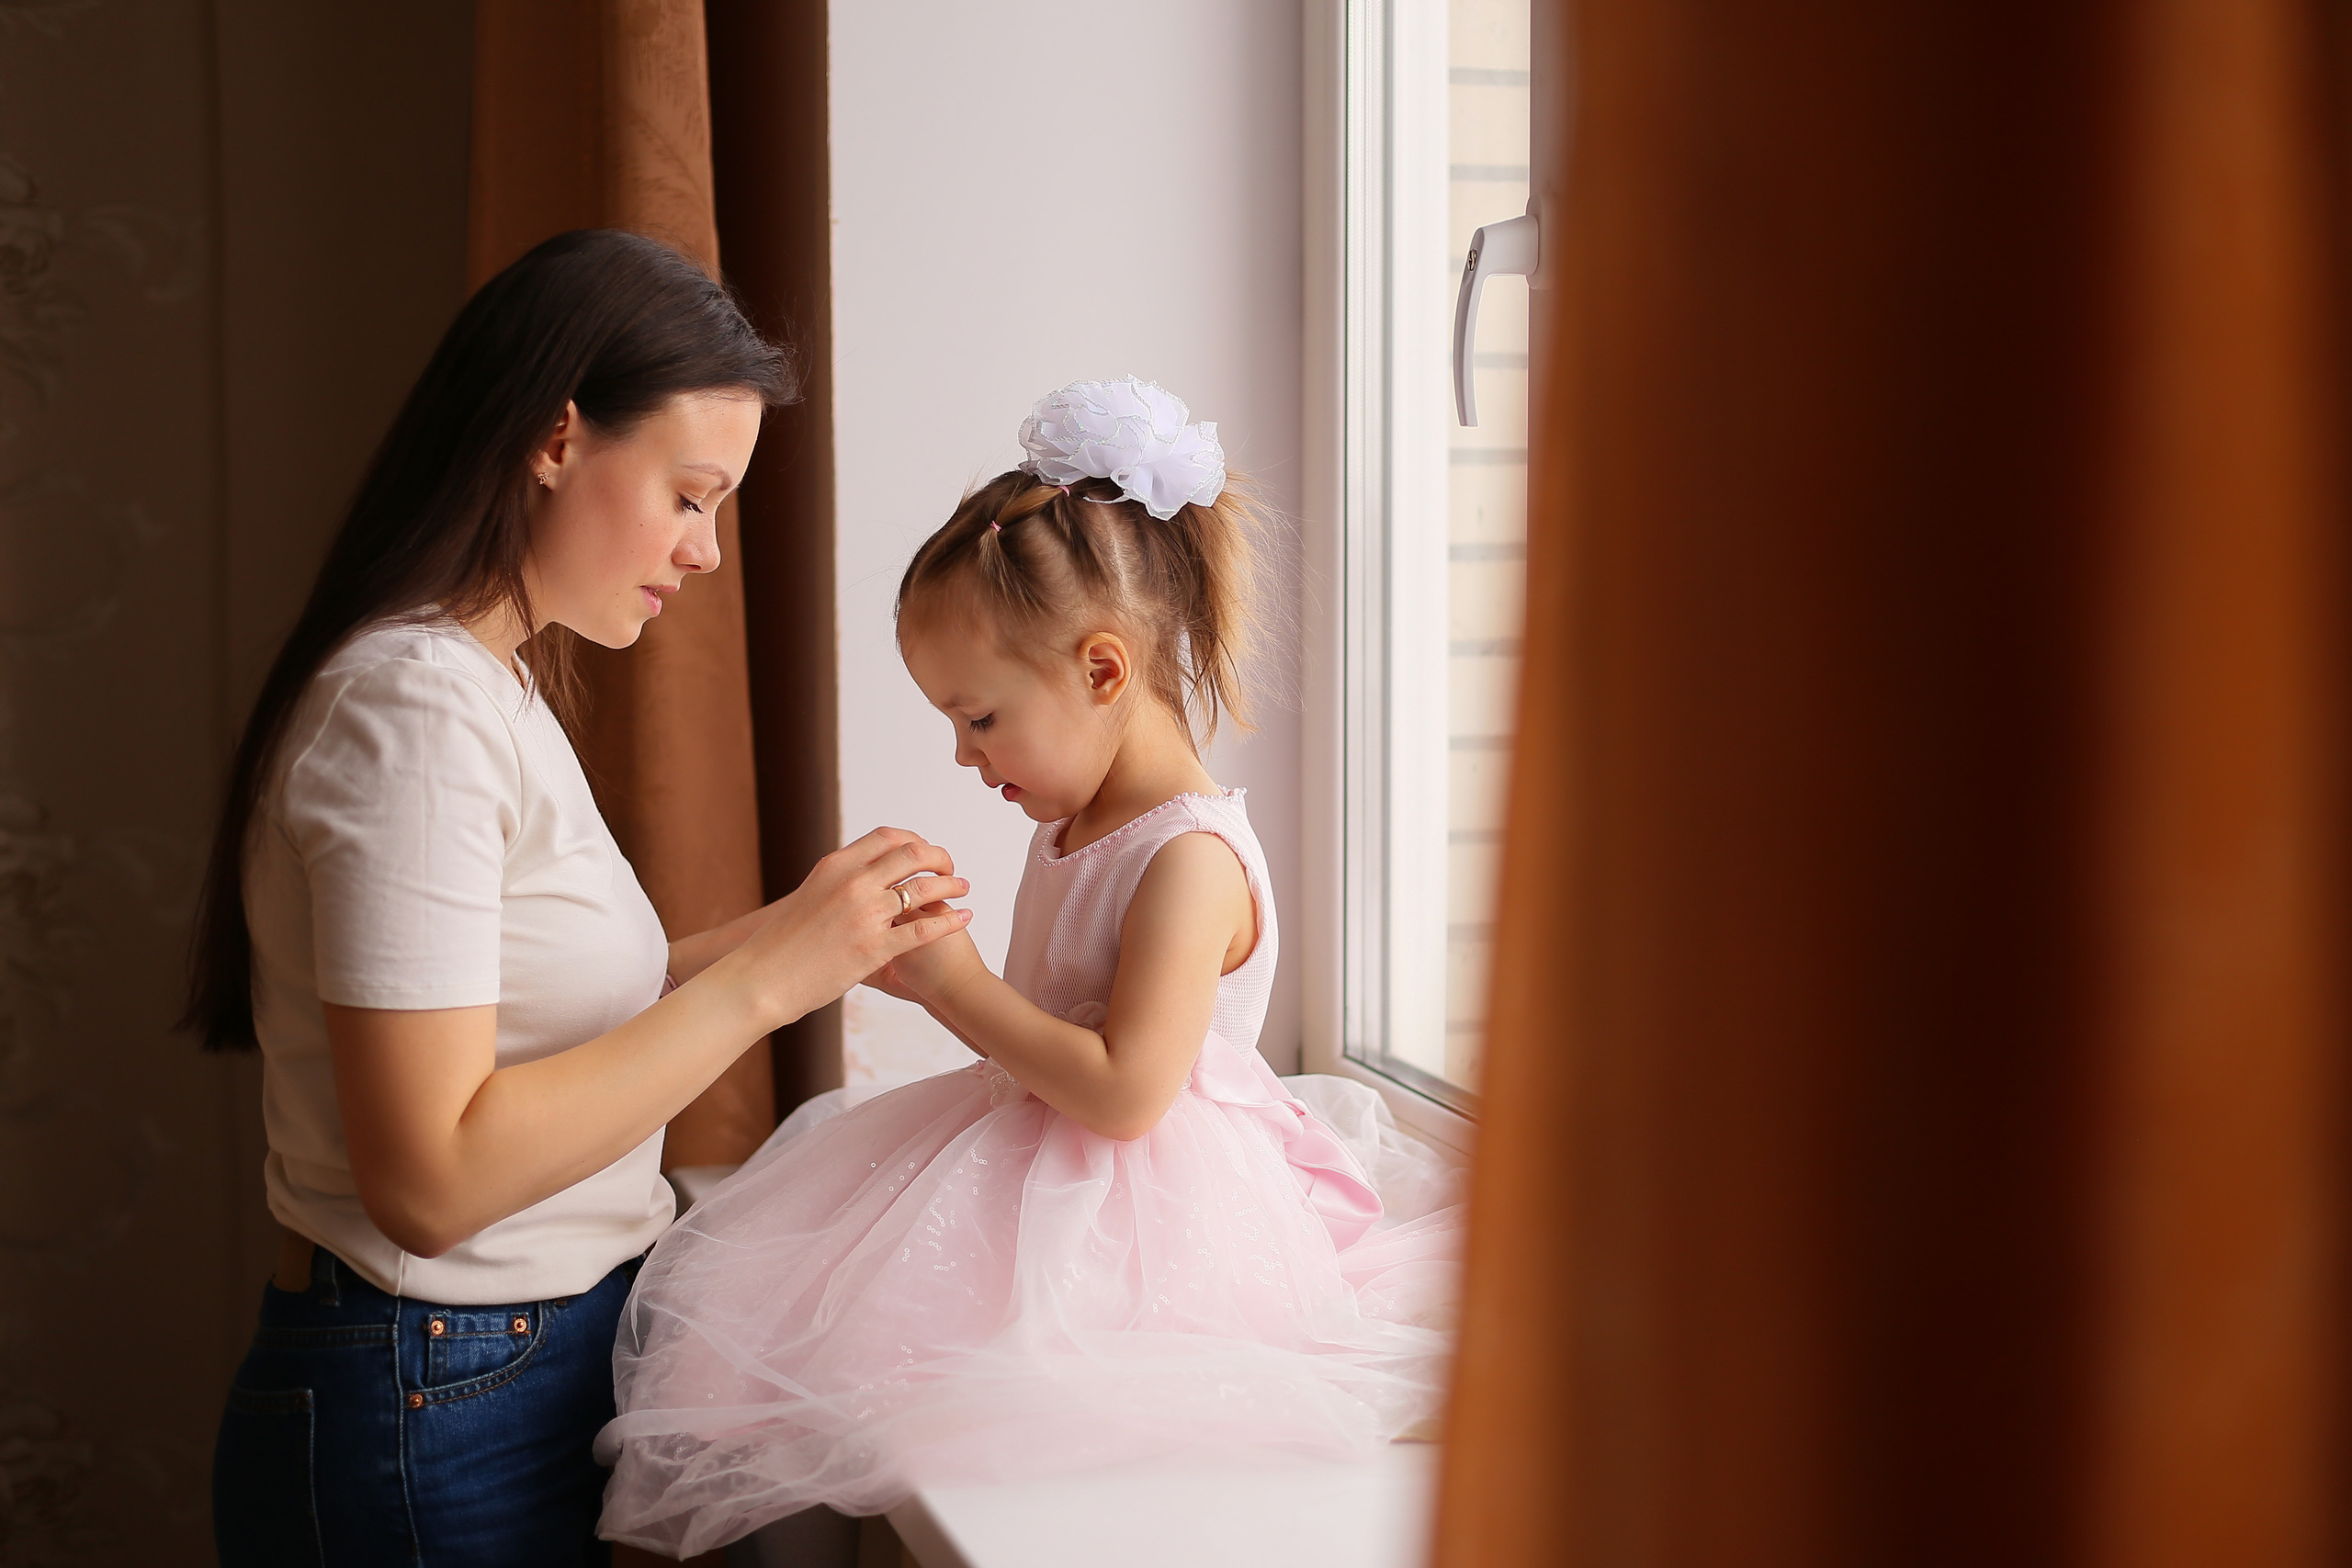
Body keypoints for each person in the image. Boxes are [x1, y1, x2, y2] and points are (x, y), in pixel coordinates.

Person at [194, 229, 971, 1567]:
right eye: (689, 495)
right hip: (430, 1394)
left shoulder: (483, 685)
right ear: (556, 439)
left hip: (485, 1375)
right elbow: (431, 1176)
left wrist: (810, 934)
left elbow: (531, 1020)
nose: (707, 551)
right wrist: (768, 981)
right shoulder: (412, 707)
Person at [596, 378, 1465, 1558]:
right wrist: (913, 961)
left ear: (1103, 671)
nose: (964, 755)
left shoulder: (1189, 858)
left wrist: (955, 987)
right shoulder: (1077, 824)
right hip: (1034, 1174)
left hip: (1150, 1232)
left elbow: (1126, 1092)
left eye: (981, 718)